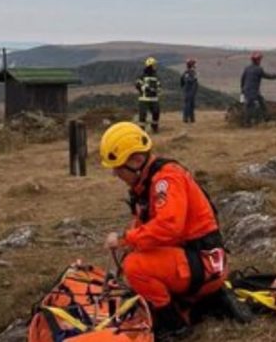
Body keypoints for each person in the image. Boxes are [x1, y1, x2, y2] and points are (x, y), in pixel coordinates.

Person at [99, 122, 229, 340]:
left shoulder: (166, 180)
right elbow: (148, 228)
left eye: (118, 167)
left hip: (203, 265)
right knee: (137, 256)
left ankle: (174, 325)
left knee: (135, 267)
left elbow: (169, 227)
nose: (115, 174)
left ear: (136, 161)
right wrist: (132, 240)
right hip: (200, 261)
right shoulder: (148, 182)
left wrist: (124, 239)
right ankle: (183, 304)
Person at [240, 52, 276, 126]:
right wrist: (275, 76)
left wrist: (242, 89)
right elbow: (267, 76)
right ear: (257, 60)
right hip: (253, 91)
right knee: (252, 106)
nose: (260, 61)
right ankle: (248, 123)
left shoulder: (247, 68)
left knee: (258, 103)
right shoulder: (259, 69)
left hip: (246, 90)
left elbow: (242, 79)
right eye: (259, 60)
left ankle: (265, 119)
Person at [136, 57, 162, 133]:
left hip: (154, 99)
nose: (155, 67)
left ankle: (154, 128)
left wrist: (157, 90)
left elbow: (159, 85)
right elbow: (137, 85)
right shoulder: (142, 76)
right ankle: (141, 130)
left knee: (156, 113)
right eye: (154, 65)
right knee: (143, 115)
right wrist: (145, 89)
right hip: (144, 99)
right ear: (150, 65)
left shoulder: (156, 76)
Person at [180, 59, 199, 123]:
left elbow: (181, 82)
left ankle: (191, 119)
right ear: (192, 65)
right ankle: (186, 119)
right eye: (194, 64)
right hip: (189, 91)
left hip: (189, 91)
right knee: (188, 105)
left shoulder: (187, 73)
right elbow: (189, 81)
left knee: (191, 105)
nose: (195, 65)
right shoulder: (189, 73)